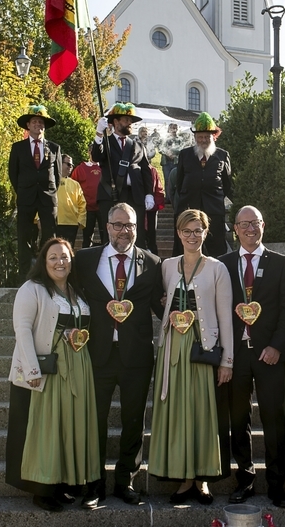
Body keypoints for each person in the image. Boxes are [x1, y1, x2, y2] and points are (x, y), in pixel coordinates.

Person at [73, 203, 164, 506]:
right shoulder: (85, 260)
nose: (124, 231)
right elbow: (67, 295)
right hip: (97, 354)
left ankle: (126, 481)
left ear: (138, 228)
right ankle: (93, 484)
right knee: (94, 421)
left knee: (133, 420)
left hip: (136, 356)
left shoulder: (152, 262)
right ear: (106, 226)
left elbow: (159, 306)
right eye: (118, 224)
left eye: (130, 225)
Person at [6, 237, 100, 512]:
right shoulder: (32, 289)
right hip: (47, 370)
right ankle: (41, 489)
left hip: (76, 369)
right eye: (54, 258)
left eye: (65, 257)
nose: (60, 262)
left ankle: (61, 483)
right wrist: (31, 369)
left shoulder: (75, 290)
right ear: (43, 262)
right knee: (44, 428)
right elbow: (21, 329)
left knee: (65, 427)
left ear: (72, 261)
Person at [150, 209, 234, 505]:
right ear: (178, 233)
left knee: (201, 412)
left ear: (206, 232)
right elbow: (162, 300)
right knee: (177, 412)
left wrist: (227, 360)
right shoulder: (167, 266)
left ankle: (201, 479)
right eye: (187, 231)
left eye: (198, 230)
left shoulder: (216, 268)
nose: (192, 236)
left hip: (203, 349)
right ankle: (183, 478)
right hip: (173, 348)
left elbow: (225, 317)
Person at [219, 206, 285, 508]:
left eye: (256, 223)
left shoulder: (280, 263)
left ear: (264, 225)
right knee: (238, 420)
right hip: (236, 356)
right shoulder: (222, 264)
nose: (250, 229)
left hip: (269, 355)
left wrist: (277, 345)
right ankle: (245, 479)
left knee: (273, 419)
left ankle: (277, 483)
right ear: (235, 229)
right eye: (244, 224)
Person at [8, 105, 63, 278]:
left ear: (44, 126)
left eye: (40, 122)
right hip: (26, 197)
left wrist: (50, 192)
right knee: (24, 237)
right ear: (28, 125)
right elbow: (13, 174)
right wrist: (24, 190)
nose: (37, 124)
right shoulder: (18, 148)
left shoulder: (54, 148)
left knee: (49, 238)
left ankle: (48, 275)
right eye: (34, 122)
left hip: (47, 199)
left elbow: (58, 175)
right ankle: (24, 276)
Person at [91, 103, 154, 247]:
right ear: (115, 122)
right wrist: (99, 134)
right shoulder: (105, 142)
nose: (130, 123)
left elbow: (145, 171)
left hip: (135, 196)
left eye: (130, 121)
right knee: (110, 238)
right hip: (111, 195)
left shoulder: (138, 145)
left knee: (136, 237)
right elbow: (96, 156)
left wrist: (149, 193)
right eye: (126, 120)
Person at [173, 112, 232, 257]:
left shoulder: (222, 155)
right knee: (184, 248)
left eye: (207, 136)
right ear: (195, 138)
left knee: (217, 249)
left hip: (214, 210)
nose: (203, 140)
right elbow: (179, 183)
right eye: (200, 137)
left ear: (214, 137)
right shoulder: (185, 155)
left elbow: (227, 184)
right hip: (188, 208)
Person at [55, 154, 87, 247]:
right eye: (68, 164)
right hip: (54, 222)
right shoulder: (50, 181)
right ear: (60, 163)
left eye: (72, 165)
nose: (71, 167)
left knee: (68, 250)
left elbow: (82, 203)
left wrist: (80, 220)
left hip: (71, 223)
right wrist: (39, 218)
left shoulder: (75, 184)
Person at [73, 155, 102, 248]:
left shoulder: (105, 167)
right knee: (87, 236)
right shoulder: (81, 168)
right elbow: (73, 185)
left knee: (105, 235)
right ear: (89, 152)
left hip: (102, 207)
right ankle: (86, 256)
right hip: (87, 208)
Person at [159, 122, 186, 208]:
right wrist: (167, 153)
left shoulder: (180, 139)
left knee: (176, 180)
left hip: (176, 162)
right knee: (167, 180)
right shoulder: (164, 138)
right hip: (166, 162)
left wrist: (174, 153)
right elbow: (160, 148)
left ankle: (175, 197)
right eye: (172, 128)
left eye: (175, 128)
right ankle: (168, 198)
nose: (174, 130)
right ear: (168, 129)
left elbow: (182, 149)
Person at [142, 163, 165, 255]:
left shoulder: (152, 170)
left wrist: (155, 203)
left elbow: (158, 188)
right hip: (137, 207)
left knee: (151, 235)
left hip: (151, 208)